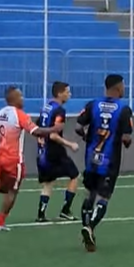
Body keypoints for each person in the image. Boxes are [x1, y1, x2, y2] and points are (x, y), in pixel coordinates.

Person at [75, 75, 133, 252]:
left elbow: (78, 127)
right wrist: (126, 143)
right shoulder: (124, 109)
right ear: (117, 87)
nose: (124, 89)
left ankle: (86, 229)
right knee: (103, 197)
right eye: (123, 86)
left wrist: (87, 137)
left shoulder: (92, 105)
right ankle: (90, 227)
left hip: (91, 158)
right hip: (110, 161)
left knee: (89, 194)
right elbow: (126, 138)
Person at [0, 87, 63, 231]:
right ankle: (1, 221)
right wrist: (54, 129)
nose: (23, 99)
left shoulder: (1, 113)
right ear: (13, 98)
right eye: (20, 96)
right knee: (12, 190)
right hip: (13, 160)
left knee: (5, 188)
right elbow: (37, 131)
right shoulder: (19, 114)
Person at [36, 81, 81, 222]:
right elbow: (54, 135)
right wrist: (70, 144)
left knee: (48, 182)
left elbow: (38, 126)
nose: (69, 94)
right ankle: (66, 210)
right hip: (54, 151)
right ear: (60, 93)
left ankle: (41, 214)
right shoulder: (59, 110)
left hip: (42, 152)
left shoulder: (46, 107)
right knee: (74, 175)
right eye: (67, 92)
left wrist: (40, 138)